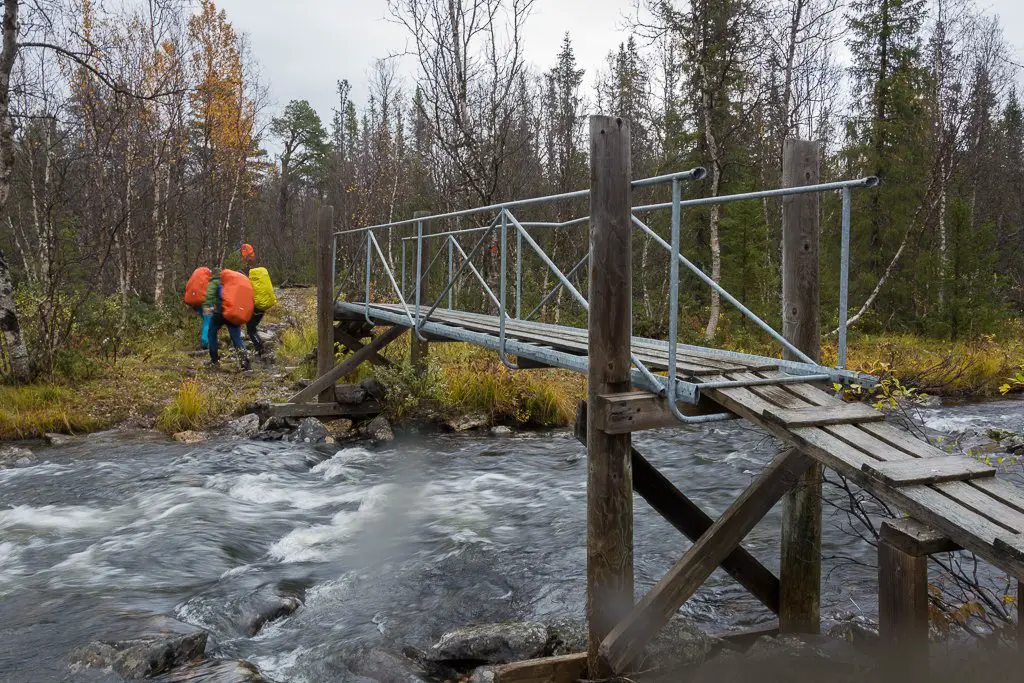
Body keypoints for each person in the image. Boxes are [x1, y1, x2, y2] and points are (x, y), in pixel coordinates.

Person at [203, 267, 251, 371]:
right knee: (236, 338)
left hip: (220, 313)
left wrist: (207, 306)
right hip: (233, 313)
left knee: (212, 333)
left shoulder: (219, 282)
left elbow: (210, 294)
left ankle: (214, 360)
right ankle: (245, 363)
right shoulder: (239, 286)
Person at [240, 244, 276, 359]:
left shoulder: (250, 279)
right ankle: (261, 347)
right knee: (253, 328)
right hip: (263, 306)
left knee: (250, 330)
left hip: (257, 307)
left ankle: (260, 350)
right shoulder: (258, 279)